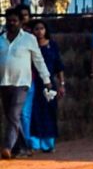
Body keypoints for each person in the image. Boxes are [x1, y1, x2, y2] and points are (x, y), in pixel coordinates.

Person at [0, 8, 56, 160]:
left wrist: (47, 80)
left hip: (22, 83)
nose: (12, 23)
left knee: (14, 114)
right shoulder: (1, 38)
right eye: (9, 20)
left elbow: (38, 60)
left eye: (15, 20)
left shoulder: (29, 39)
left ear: (20, 22)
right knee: (12, 117)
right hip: (4, 83)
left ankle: (7, 147)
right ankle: (23, 147)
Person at [25, 20, 61, 152]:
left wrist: (61, 84)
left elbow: (59, 65)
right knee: (34, 112)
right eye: (36, 29)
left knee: (49, 113)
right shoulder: (30, 45)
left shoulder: (52, 46)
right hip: (34, 82)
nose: (39, 32)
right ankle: (35, 142)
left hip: (48, 82)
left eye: (42, 28)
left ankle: (48, 143)